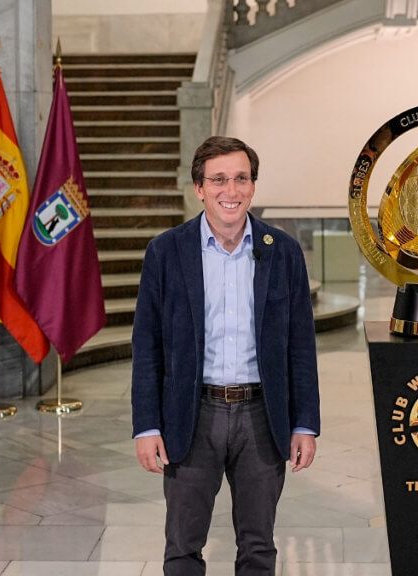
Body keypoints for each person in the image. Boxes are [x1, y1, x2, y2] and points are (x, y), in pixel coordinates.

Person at [131, 136, 321, 575]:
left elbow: (300, 347)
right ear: (199, 187)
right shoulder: (166, 251)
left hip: (261, 416)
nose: (230, 191)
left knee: (258, 547)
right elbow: (147, 347)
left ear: (253, 186)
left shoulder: (284, 252)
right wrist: (147, 425)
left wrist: (304, 423)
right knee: (182, 545)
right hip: (192, 415)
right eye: (218, 180)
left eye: (241, 179)